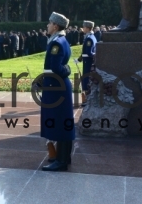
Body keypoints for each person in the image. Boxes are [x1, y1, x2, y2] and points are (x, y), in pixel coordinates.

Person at [40, 12, 75, 172]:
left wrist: (67, 69)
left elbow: (56, 68)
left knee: (60, 122)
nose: (47, 26)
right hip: (57, 86)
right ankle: (64, 158)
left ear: (55, 26)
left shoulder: (56, 43)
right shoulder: (61, 40)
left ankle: (61, 161)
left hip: (56, 87)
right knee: (63, 121)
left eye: (49, 23)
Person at [76, 21, 96, 107]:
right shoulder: (91, 37)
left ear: (87, 28)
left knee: (86, 79)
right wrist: (79, 59)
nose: (82, 28)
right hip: (86, 61)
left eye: (84, 27)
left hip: (88, 62)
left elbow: (88, 52)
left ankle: (87, 100)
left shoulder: (89, 38)